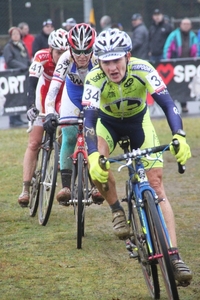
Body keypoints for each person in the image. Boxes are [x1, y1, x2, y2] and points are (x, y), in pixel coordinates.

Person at [81, 28, 192, 285]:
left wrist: (179, 135)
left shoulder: (143, 68)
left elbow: (168, 103)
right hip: (106, 126)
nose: (112, 67)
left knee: (155, 184)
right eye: (106, 61)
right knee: (95, 162)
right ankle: (117, 209)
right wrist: (95, 154)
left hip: (137, 124)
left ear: (128, 57)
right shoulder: (94, 78)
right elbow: (88, 120)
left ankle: (174, 257)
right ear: (99, 61)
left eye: (116, 60)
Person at [43, 23, 103, 206]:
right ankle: (66, 186)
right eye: (78, 51)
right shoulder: (65, 59)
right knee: (69, 135)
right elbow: (52, 92)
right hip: (73, 94)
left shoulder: (100, 58)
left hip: (95, 93)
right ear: (70, 48)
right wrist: (50, 114)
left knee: (96, 135)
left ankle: (95, 185)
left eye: (87, 51)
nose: (83, 56)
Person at [18, 28, 69, 207]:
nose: (61, 55)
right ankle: (25, 188)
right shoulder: (41, 57)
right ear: (50, 50)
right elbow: (30, 84)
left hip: (64, 99)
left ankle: (66, 185)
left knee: (67, 137)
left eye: (64, 52)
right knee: (34, 143)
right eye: (58, 52)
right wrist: (31, 106)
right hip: (43, 98)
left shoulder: (72, 58)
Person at [163, 18, 198, 113]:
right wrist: (167, 60)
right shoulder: (174, 35)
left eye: (188, 24)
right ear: (180, 25)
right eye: (184, 24)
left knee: (191, 84)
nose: (186, 26)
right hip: (176, 64)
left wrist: (197, 60)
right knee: (177, 85)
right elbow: (168, 47)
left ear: (190, 26)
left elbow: (197, 49)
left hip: (190, 64)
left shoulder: (193, 36)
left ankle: (188, 104)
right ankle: (177, 106)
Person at [3, 26, 31, 127]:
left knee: (21, 96)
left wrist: (30, 65)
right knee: (13, 97)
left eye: (17, 34)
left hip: (23, 75)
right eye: (14, 34)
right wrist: (23, 67)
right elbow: (9, 60)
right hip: (14, 75)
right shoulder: (8, 47)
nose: (16, 36)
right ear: (11, 36)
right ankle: (13, 119)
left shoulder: (22, 46)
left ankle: (18, 117)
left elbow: (27, 58)